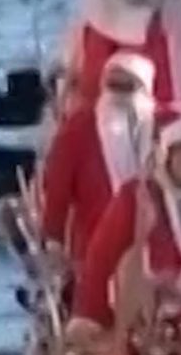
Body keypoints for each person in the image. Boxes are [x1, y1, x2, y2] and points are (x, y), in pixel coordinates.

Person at [70, 106, 181, 339]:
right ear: (172, 150)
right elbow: (101, 258)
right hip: (151, 313)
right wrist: (88, 315)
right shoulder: (136, 195)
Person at [38, 50, 156, 271]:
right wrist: (53, 240)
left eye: (127, 87)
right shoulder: (78, 130)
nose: (119, 95)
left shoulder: (164, 128)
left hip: (157, 249)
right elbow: (57, 190)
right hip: (94, 246)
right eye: (113, 86)